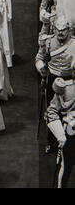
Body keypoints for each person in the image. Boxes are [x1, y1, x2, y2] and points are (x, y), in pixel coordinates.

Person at [36, 15, 75, 153]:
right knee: (51, 110)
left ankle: (68, 140)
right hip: (52, 78)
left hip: (69, 80)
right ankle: (51, 140)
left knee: (68, 111)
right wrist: (41, 68)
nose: (60, 33)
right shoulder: (48, 42)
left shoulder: (74, 44)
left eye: (63, 30)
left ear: (68, 30)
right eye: (58, 30)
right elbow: (39, 58)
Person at [46, 76, 75, 188]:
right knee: (66, 167)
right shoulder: (66, 89)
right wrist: (60, 134)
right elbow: (51, 113)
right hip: (71, 134)